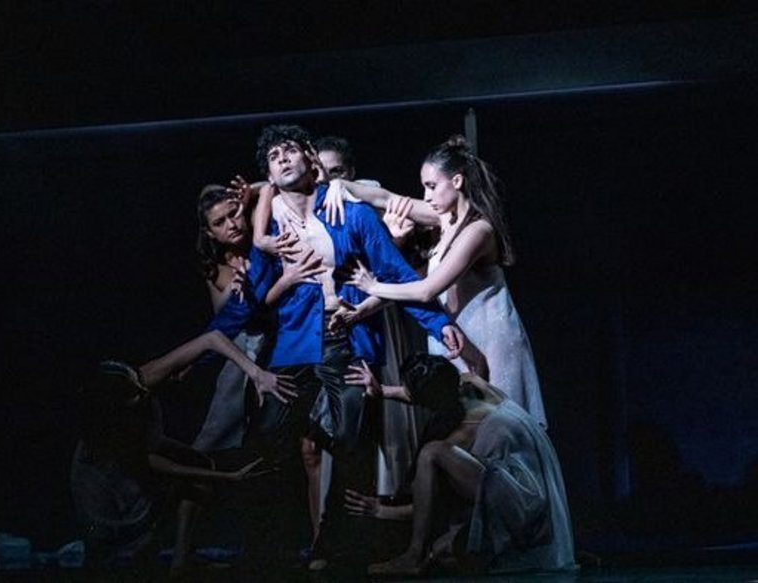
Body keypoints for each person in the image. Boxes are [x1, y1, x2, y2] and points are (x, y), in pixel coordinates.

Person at [209, 124, 464, 569]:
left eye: (289, 151)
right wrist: (207, 340)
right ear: (269, 174)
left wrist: (439, 322)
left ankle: (337, 547)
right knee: (267, 438)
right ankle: (262, 549)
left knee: (351, 439)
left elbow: (395, 272)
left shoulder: (351, 212)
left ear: (310, 160)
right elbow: (253, 298)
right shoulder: (270, 226)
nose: (282, 158)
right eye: (273, 156)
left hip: (344, 338)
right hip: (293, 346)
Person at [330, 136, 548, 427]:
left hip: (489, 337)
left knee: (496, 428)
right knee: (459, 425)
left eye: (432, 186)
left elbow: (427, 290)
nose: (426, 195)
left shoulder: (479, 230)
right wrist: (338, 185)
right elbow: (386, 199)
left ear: (457, 181)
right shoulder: (441, 218)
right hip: (454, 334)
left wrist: (372, 286)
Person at [71, 330, 294, 575]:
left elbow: (212, 338)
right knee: (116, 554)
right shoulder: (110, 426)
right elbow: (156, 463)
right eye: (135, 397)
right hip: (109, 477)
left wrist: (256, 373)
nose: (143, 395)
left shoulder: (145, 377)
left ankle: (180, 561)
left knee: (199, 463)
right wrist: (230, 477)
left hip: (141, 456)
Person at [343, 354, 575, 576]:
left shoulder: (466, 429)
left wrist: (382, 510)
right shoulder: (468, 381)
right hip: (525, 488)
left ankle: (414, 556)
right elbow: (426, 392)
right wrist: (382, 390)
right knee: (442, 551)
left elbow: (433, 502)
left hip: (522, 504)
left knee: (431, 452)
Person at [191, 185, 323, 453]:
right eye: (219, 222)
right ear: (210, 233)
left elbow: (273, 186)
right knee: (232, 418)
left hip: (289, 329)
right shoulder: (215, 266)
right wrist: (236, 287)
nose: (231, 225)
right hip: (249, 340)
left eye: (233, 214)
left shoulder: (262, 234)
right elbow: (225, 318)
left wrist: (249, 192)